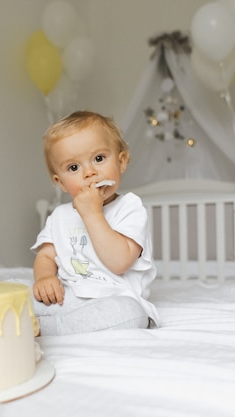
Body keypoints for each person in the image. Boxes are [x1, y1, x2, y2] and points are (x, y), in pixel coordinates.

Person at [28, 110, 160, 336]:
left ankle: (46, 327)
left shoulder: (130, 208)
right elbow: (46, 256)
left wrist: (92, 213)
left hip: (114, 299)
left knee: (131, 314)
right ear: (60, 182)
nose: (89, 173)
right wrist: (46, 278)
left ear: (121, 161)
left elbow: (119, 262)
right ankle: (16, 316)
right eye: (73, 168)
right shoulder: (59, 215)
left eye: (99, 159)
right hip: (69, 296)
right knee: (12, 288)